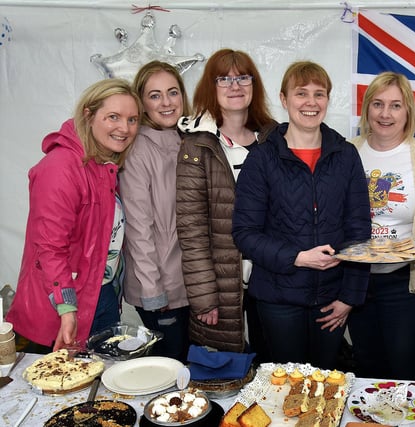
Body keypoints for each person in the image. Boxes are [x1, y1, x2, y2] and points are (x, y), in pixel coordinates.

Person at [232, 61, 371, 369]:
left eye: (319, 94)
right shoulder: (262, 159)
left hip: (333, 298)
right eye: (301, 93)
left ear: (328, 100)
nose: (311, 102)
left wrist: (350, 297)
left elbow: (360, 230)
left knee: (324, 383)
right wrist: (297, 257)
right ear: (284, 100)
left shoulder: (345, 155)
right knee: (285, 386)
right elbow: (245, 234)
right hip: (277, 299)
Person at [7, 79, 141, 353]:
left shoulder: (104, 165)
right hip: (61, 304)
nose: (124, 128)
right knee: (62, 391)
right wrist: (66, 309)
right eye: (113, 117)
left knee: (99, 390)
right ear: (88, 115)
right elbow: (50, 248)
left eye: (132, 119)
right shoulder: (61, 167)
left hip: (99, 296)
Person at [349, 72, 415, 380]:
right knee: (365, 361)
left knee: (401, 361)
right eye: (378, 104)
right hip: (354, 279)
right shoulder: (345, 152)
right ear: (367, 108)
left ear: (408, 110)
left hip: (404, 280)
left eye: (396, 105)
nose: (385, 114)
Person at [176, 49, 276, 356]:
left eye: (243, 77)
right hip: (222, 282)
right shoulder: (197, 146)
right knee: (228, 372)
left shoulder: (274, 137)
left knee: (273, 367)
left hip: (272, 278)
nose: (235, 86)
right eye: (224, 79)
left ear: (254, 84)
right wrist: (204, 296)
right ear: (211, 86)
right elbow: (191, 230)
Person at [119, 61, 192, 361]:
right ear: (142, 103)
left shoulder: (188, 140)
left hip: (187, 282)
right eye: (155, 95)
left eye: (172, 92)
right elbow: (138, 228)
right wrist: (153, 290)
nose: (166, 102)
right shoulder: (138, 150)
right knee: (169, 366)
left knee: (186, 364)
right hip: (160, 285)